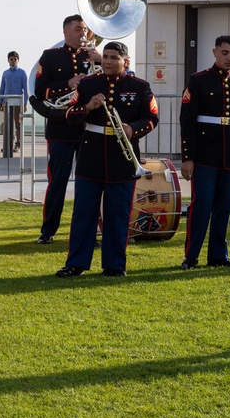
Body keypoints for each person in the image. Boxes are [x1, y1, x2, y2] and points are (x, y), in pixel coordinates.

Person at [55, 42, 158, 277]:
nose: (108, 61)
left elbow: (152, 117)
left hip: (122, 159)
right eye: (106, 57)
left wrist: (133, 128)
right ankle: (76, 263)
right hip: (90, 156)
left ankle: (114, 265)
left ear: (126, 61)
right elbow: (69, 115)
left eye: (114, 58)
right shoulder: (89, 84)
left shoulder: (140, 86)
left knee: (117, 214)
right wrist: (88, 107)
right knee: (83, 213)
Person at [179, 35, 230, 270]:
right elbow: (187, 121)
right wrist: (188, 157)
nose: (229, 58)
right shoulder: (198, 80)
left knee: (224, 206)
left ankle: (218, 255)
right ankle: (191, 256)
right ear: (214, 53)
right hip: (204, 154)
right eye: (225, 53)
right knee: (201, 206)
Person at [31, 14, 99, 244]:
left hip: (88, 127)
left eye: (86, 29)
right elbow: (40, 91)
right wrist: (67, 84)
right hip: (60, 128)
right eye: (79, 29)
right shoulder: (50, 57)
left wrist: (99, 60)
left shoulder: (93, 57)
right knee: (57, 181)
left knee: (89, 182)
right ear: (65, 32)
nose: (84, 33)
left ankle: (91, 229)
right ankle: (48, 230)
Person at [0, 51, 28, 155]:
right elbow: (2, 88)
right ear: (8, 60)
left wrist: (25, 103)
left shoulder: (22, 73)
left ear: (18, 60)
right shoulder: (5, 73)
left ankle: (18, 144)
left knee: (17, 123)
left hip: (17, 102)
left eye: (15, 59)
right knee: (8, 124)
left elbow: (25, 88)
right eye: (11, 59)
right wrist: (0, 101)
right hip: (7, 102)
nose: (13, 61)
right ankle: (8, 145)